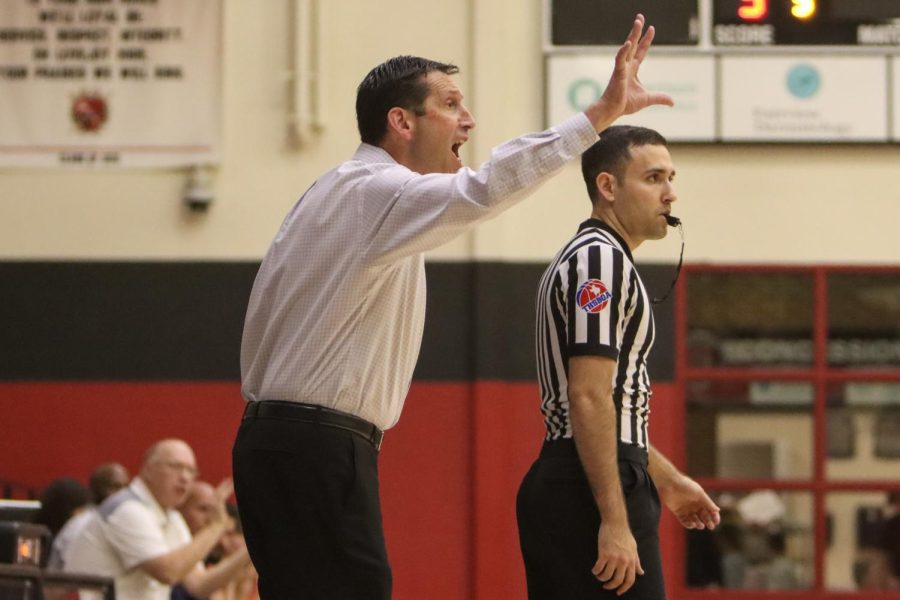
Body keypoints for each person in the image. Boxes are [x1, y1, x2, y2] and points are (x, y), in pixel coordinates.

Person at [234, 14, 673, 599]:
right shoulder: (376, 193)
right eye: (450, 104)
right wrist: (597, 118)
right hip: (316, 445)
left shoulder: (335, 191)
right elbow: (487, 187)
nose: (468, 120)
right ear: (401, 122)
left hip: (278, 443)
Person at [516, 125, 721, 599]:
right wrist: (613, 517)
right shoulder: (600, 262)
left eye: (671, 178)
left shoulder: (598, 258)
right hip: (588, 485)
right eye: (653, 178)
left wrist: (667, 480)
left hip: (588, 473)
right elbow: (588, 396)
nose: (670, 194)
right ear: (608, 187)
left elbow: (609, 410)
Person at [65, 439, 249, 600]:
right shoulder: (127, 509)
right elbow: (168, 572)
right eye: (175, 467)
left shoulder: (172, 517)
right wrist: (215, 527)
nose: (185, 477)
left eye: (191, 471)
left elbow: (198, 586)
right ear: (148, 469)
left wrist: (250, 548)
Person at [172, 481, 255, 600]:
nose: (210, 518)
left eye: (213, 510)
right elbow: (199, 586)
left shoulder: (209, 556)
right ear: (180, 509)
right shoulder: (172, 541)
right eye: (203, 509)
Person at [48, 462, 130, 570]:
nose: (123, 494)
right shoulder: (82, 525)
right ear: (97, 489)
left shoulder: (120, 522)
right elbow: (74, 571)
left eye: (126, 487)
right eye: (116, 487)